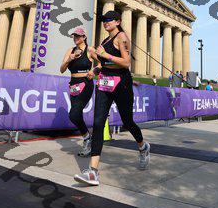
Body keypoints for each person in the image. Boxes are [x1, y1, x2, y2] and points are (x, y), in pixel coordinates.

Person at [74, 10, 150, 186]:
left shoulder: (121, 37)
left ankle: (143, 146)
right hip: (104, 83)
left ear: (118, 21)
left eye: (109, 20)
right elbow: (104, 64)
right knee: (98, 123)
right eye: (104, 20)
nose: (105, 22)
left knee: (127, 122)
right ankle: (93, 172)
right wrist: (95, 70)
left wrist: (104, 55)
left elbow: (126, 62)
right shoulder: (105, 41)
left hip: (121, 84)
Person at [60, 27, 97, 157]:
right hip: (74, 85)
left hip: (86, 84)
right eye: (74, 36)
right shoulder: (70, 50)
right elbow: (62, 69)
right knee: (77, 114)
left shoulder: (90, 50)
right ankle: (87, 138)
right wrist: (69, 59)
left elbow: (102, 63)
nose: (76, 38)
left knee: (73, 114)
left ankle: (87, 138)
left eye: (78, 36)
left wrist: (94, 71)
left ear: (84, 37)